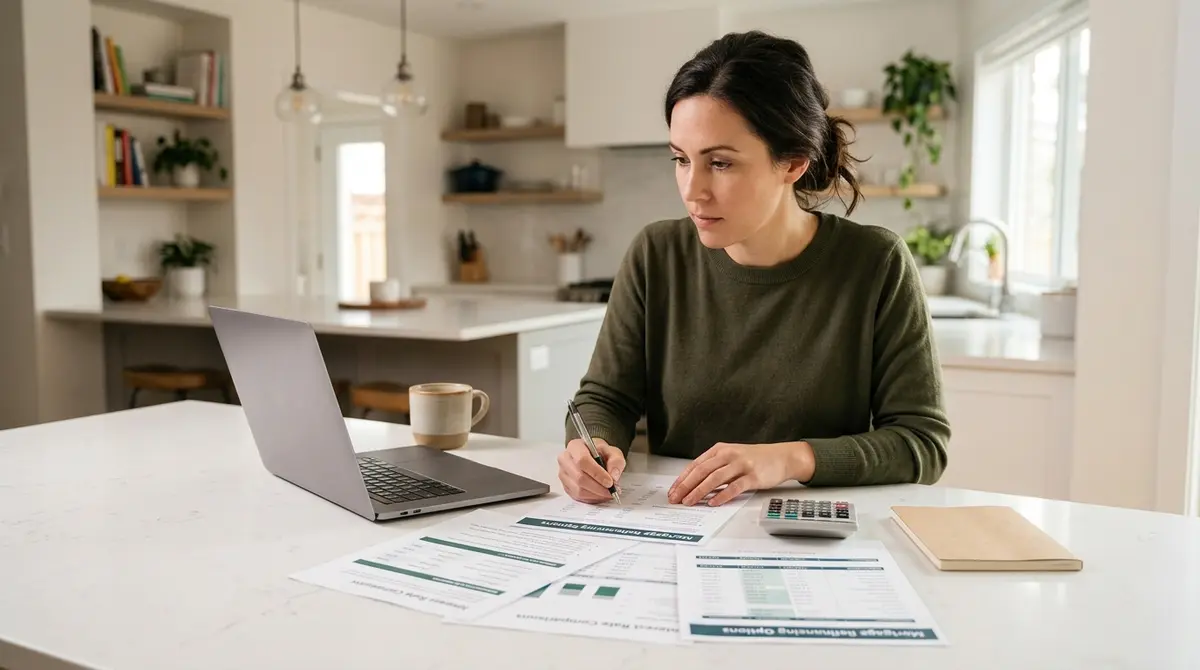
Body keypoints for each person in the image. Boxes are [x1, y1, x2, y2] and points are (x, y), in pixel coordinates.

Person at [557, 30, 951, 507]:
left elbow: (922, 444)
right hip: (681, 527)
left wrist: (787, 459)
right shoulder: (656, 253)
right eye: (681, 160)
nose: (692, 189)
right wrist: (591, 445)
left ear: (792, 163)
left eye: (720, 163)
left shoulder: (876, 264)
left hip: (811, 532)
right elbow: (604, 398)